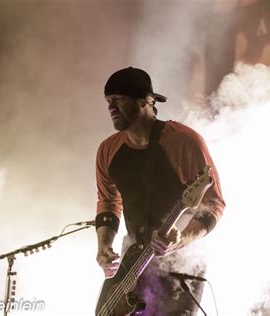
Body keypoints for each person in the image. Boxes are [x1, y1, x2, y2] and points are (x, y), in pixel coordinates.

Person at [95, 67, 225, 315]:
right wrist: (104, 244)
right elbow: (108, 201)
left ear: (145, 101)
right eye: (108, 102)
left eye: (119, 100)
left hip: (181, 265)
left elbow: (214, 205)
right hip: (132, 261)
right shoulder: (107, 150)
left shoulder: (184, 142)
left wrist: (180, 240)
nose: (111, 108)